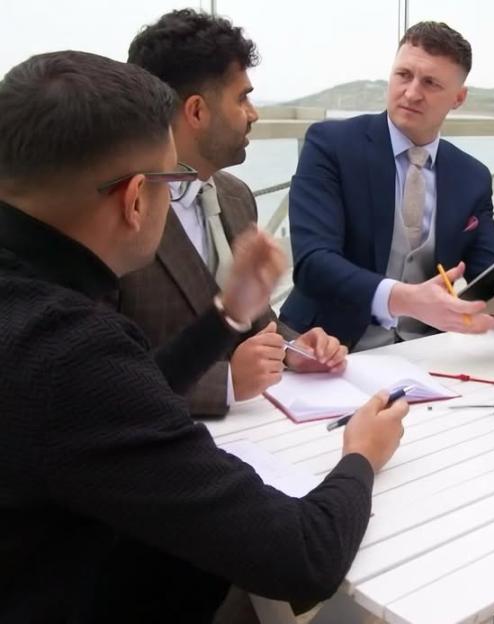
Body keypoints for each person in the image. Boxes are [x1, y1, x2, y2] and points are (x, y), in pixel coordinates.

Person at [0, 50, 407, 623]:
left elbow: (126, 401)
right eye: (174, 181)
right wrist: (361, 456)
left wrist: (227, 314)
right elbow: (303, 556)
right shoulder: (65, 349)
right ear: (135, 199)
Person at [280, 20, 494, 351]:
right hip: (325, 348)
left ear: (458, 98)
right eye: (404, 75)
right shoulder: (330, 145)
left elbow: (491, 277)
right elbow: (313, 262)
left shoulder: (471, 176)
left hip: (425, 353)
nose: (412, 93)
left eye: (430, 83)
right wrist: (406, 299)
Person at [114, 9, 346, 419]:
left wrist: (293, 349)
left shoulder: (236, 196)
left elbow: (255, 318)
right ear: (197, 112)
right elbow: (103, 378)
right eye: (242, 98)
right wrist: (224, 385)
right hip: (160, 448)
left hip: (259, 430)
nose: (254, 114)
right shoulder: (117, 213)